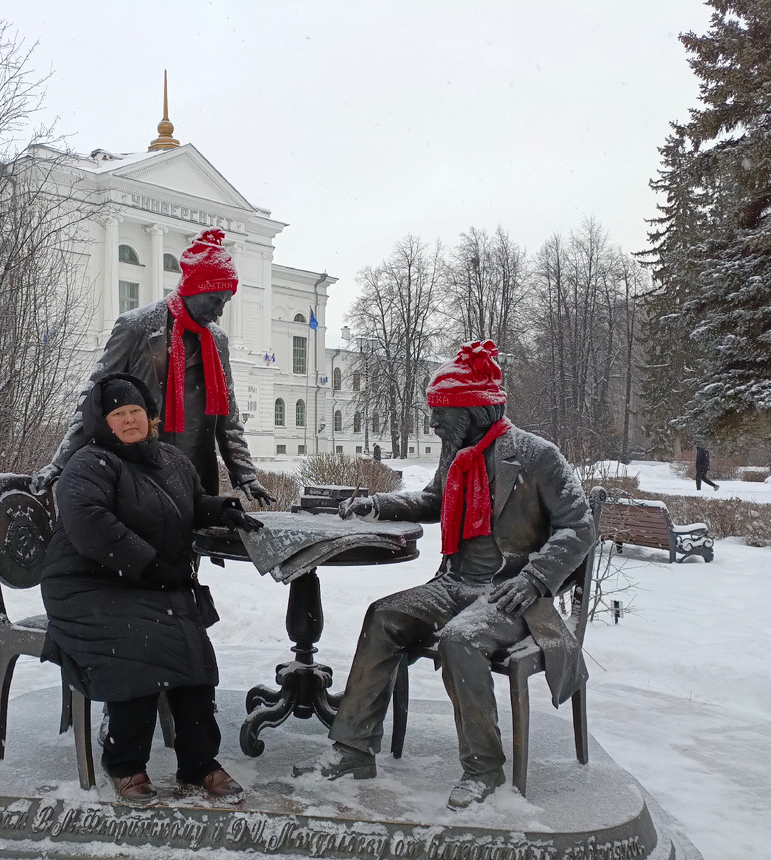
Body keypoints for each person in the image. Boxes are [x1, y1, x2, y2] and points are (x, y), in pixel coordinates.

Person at [298, 340, 596, 810]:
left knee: (461, 639)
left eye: (442, 411)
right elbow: (434, 501)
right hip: (454, 583)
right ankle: (353, 750)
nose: (434, 422)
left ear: (475, 408)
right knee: (383, 616)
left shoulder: (537, 455)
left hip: (511, 594)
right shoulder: (457, 455)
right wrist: (378, 504)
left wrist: (536, 578)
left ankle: (484, 768)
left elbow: (579, 526)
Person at [39, 373, 262, 806]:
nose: (128, 420)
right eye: (118, 414)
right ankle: (124, 763)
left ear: (150, 417)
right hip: (87, 585)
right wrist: (151, 564)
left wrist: (220, 509)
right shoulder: (89, 463)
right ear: (103, 422)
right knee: (138, 644)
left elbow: (192, 502)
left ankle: (200, 763)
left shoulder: (172, 460)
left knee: (192, 646)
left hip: (151, 581)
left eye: (135, 411)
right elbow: (92, 527)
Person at [34, 228, 274, 504]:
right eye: (215, 300)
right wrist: (61, 461)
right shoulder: (136, 326)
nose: (220, 311)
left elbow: (228, 414)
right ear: (194, 289)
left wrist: (245, 474)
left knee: (191, 546)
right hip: (140, 468)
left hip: (196, 473)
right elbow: (94, 398)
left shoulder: (216, 340)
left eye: (225, 302)